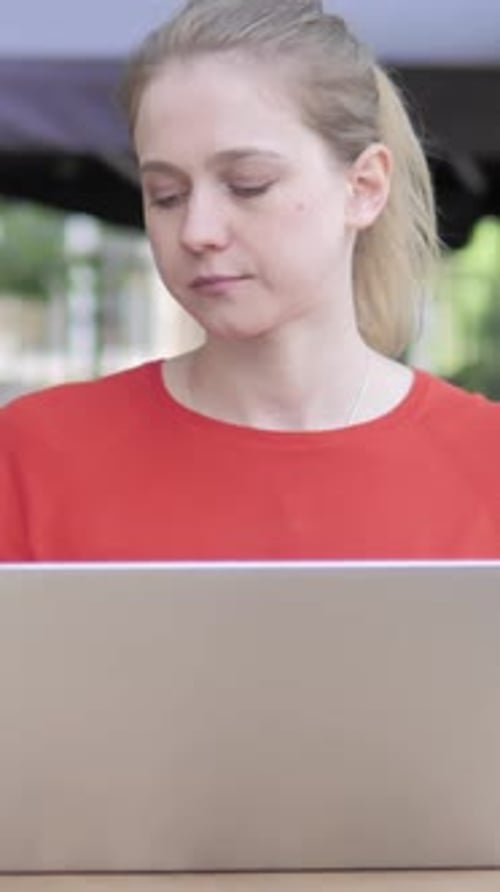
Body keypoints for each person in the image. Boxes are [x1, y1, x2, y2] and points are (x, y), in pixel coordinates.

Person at [1, 0, 499, 562]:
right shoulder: (35, 456)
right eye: (166, 195)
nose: (197, 231)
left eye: (248, 184)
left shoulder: (486, 462)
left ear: (364, 188)